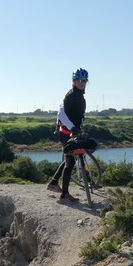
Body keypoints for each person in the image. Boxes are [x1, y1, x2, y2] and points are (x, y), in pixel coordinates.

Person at [47, 68, 88, 203]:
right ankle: (64, 195)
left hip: (72, 132)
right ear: (73, 80)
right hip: (66, 133)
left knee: (68, 160)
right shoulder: (71, 95)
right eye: (79, 80)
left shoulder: (78, 95)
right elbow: (61, 114)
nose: (82, 83)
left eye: (84, 81)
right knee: (70, 163)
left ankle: (53, 182)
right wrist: (72, 128)